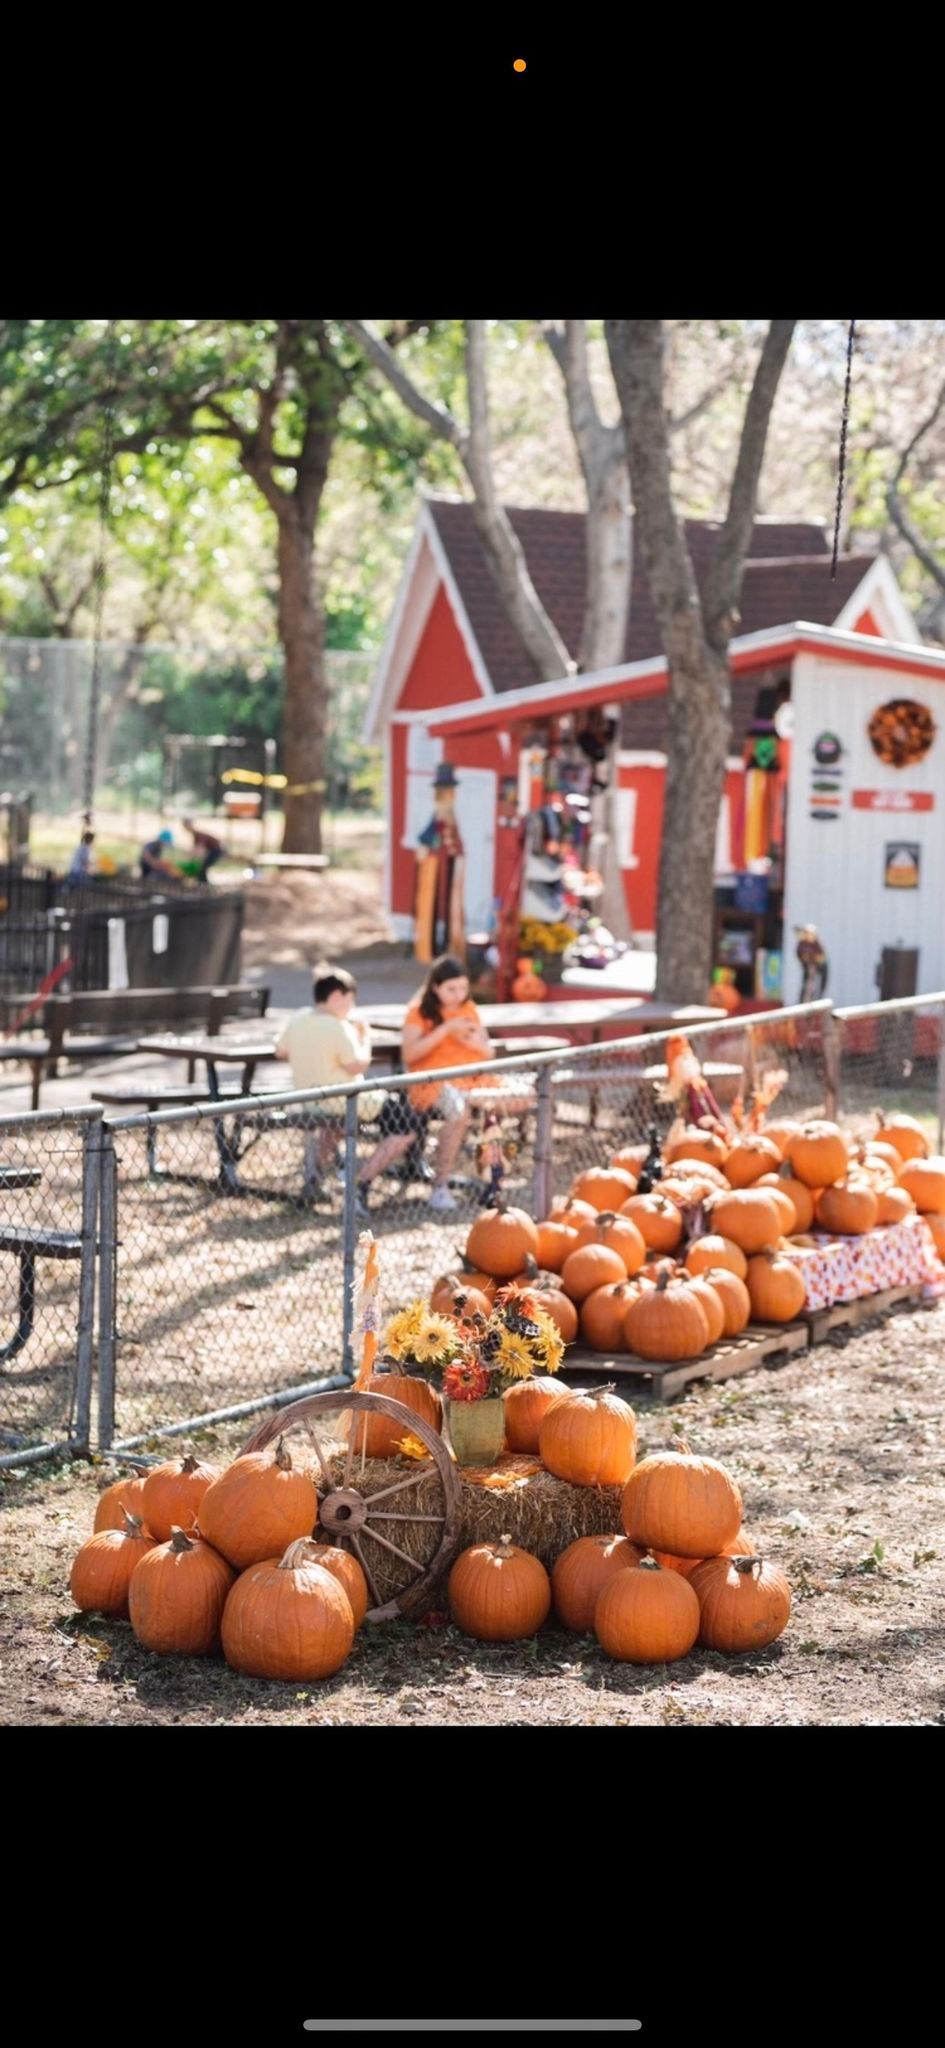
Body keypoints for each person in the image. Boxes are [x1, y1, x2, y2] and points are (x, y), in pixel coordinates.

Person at [355, 954, 494, 1216]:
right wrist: (445, 1030)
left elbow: (487, 1051)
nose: (458, 994)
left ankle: (492, 1179)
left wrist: (469, 1041)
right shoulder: (418, 1013)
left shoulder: (469, 1009)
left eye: (463, 988)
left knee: (514, 1099)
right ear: (435, 987)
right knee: (457, 1109)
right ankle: (440, 1184)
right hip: (430, 1084)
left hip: (473, 1080)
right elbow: (410, 1055)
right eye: (451, 989)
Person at [274, 966, 380, 1194]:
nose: (351, 1008)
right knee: (407, 1119)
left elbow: (280, 1051)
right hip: (347, 1100)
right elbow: (358, 1064)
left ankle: (316, 1172)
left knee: (332, 1127)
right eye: (350, 1001)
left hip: (310, 1100)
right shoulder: (338, 1027)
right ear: (335, 997)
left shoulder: (299, 1018)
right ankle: (361, 1182)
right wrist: (365, 1038)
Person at [182, 816, 224, 882]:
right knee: (203, 866)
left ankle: (203, 882)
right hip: (212, 851)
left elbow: (199, 849)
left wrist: (191, 857)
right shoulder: (195, 836)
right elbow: (196, 849)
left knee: (204, 867)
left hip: (217, 850)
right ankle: (202, 881)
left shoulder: (199, 835)